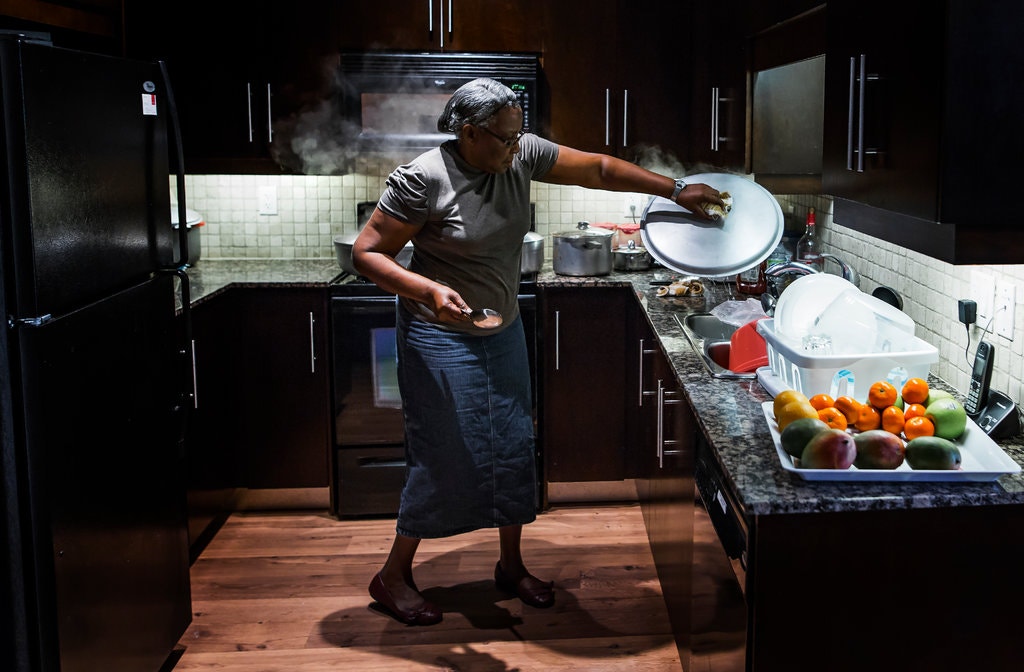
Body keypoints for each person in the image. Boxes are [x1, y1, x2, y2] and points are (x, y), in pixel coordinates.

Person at [353, 77, 723, 626]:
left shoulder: (517, 152)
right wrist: (426, 289)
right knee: (444, 452)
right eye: (505, 137)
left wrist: (675, 188)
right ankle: (393, 575)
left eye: (519, 133)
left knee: (511, 442)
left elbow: (598, 168)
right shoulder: (423, 178)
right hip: (438, 336)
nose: (517, 144)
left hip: (500, 331)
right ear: (471, 133)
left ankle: (509, 564)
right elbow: (366, 253)